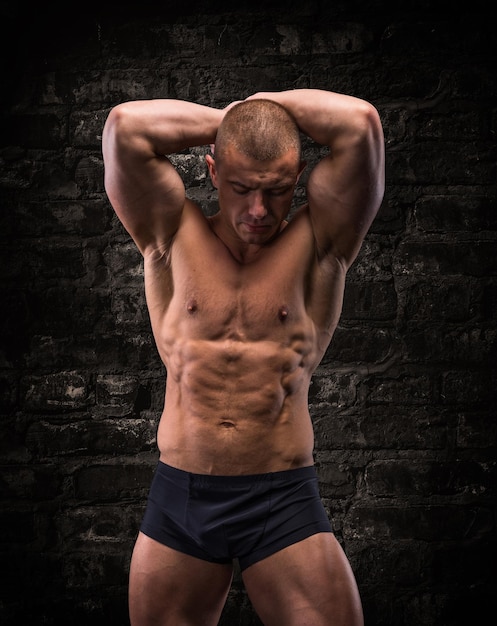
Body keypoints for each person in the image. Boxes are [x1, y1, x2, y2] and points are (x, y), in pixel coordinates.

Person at [102, 88, 385, 626]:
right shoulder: (170, 229)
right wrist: (234, 120)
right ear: (211, 169)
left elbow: (362, 125)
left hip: (281, 496)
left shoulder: (322, 241)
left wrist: (265, 106)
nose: (258, 210)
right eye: (240, 188)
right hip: (181, 495)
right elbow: (124, 128)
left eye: (277, 191)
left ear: (298, 177)